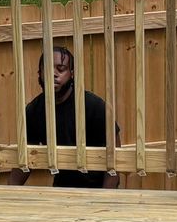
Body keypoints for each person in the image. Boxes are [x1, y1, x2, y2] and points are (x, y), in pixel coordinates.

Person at [7, 45, 121, 189]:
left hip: (97, 191)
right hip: (62, 189)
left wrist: (104, 202)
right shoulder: (34, 111)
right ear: (39, 73)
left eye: (60, 69)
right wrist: (10, 193)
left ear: (71, 73)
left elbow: (115, 167)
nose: (54, 74)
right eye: (47, 69)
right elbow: (24, 161)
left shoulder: (94, 107)